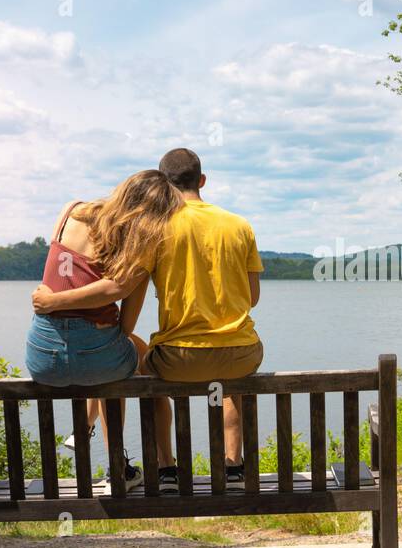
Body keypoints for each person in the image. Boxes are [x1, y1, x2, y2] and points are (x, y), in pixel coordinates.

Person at [33, 148, 263, 493]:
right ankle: (233, 465)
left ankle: (165, 466)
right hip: (241, 355)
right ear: (202, 181)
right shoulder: (240, 225)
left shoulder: (155, 230)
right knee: (232, 375)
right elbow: (252, 298)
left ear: (164, 187)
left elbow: (125, 308)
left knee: (131, 356)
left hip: (177, 360)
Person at [25, 169, 182, 490]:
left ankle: (86, 426)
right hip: (96, 357)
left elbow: (58, 274)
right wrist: (64, 305)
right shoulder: (139, 245)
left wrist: (53, 303)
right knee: (134, 359)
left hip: (42, 357)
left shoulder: (70, 211)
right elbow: (124, 325)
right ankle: (136, 466)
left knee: (116, 357)